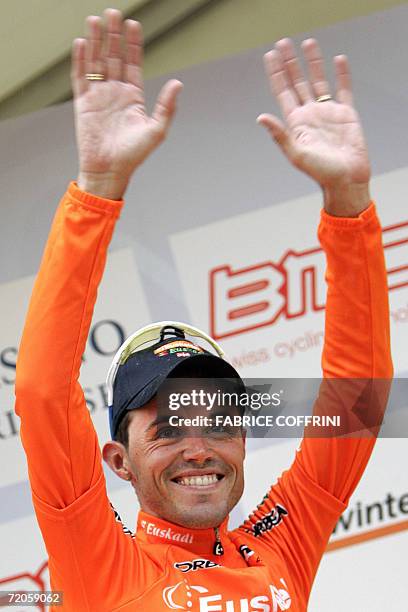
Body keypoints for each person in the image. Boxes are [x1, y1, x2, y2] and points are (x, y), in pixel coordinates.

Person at [15, 8, 393, 612]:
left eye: (218, 421)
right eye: (166, 427)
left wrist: (348, 203)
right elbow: (40, 391)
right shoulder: (100, 565)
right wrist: (97, 189)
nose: (198, 447)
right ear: (119, 461)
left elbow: (359, 399)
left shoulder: (279, 547)